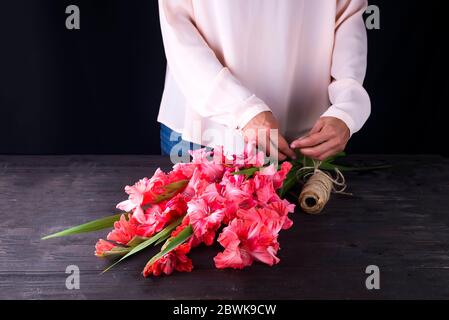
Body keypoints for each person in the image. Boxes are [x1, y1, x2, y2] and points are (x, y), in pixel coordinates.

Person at [157, 0, 370, 161]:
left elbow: (348, 17)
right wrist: (243, 109)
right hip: (205, 132)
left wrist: (348, 107)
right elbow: (177, 25)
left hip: (310, 136)